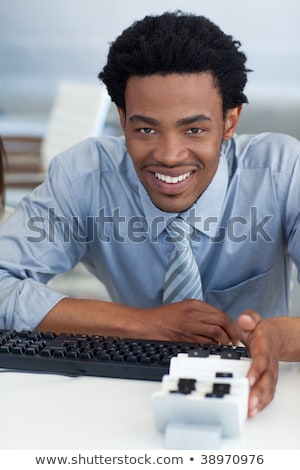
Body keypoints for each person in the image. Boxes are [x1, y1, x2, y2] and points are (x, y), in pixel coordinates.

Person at [0, 11, 299, 419]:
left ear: (231, 120)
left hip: (265, 398)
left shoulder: (283, 173)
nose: (169, 156)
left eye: (194, 130)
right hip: (129, 397)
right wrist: (144, 324)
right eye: (146, 130)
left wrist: (280, 335)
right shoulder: (85, 177)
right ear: (122, 120)